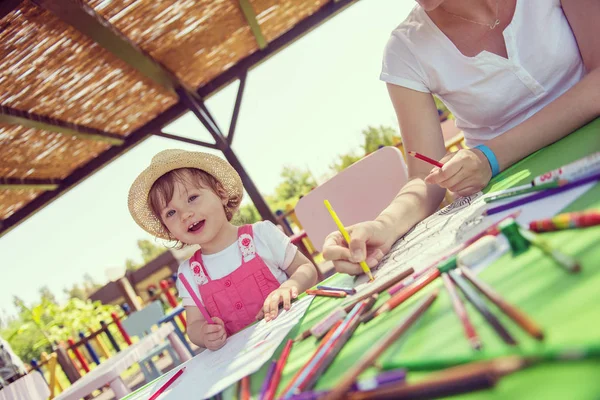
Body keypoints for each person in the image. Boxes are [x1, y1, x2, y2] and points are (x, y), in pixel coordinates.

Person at [323, 0, 600, 275]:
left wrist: (489, 156)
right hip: (515, 202)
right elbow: (425, 177)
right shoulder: (405, 49)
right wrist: (385, 225)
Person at [128, 150, 318, 350]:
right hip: (244, 361)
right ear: (169, 230)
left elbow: (307, 269)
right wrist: (203, 333)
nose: (185, 214)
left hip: (298, 338)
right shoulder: (189, 274)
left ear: (221, 194)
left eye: (192, 198)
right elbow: (193, 326)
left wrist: (290, 286)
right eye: (171, 213)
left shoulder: (262, 235)